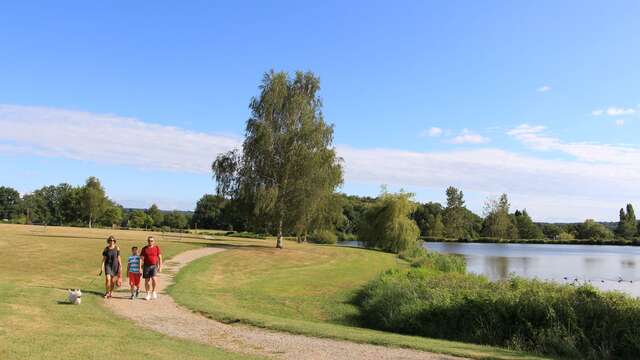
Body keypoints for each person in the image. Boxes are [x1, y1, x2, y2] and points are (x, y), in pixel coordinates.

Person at [140, 236, 162, 300]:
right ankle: (148, 294)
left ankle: (154, 291)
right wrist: (139, 268)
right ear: (147, 241)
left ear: (154, 241)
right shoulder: (144, 248)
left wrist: (160, 266)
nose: (150, 242)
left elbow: (160, 257)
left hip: (154, 266)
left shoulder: (156, 248)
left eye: (152, 241)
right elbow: (141, 258)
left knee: (154, 279)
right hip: (146, 266)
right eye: (149, 241)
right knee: (147, 281)